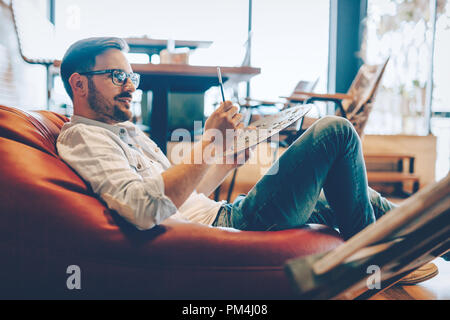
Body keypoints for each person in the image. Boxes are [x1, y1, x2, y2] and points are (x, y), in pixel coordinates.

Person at [56, 37, 395, 241]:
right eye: (118, 76)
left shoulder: (125, 132)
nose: (130, 86)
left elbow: (182, 196)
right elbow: (146, 209)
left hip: (226, 213)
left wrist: (225, 160)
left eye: (131, 76)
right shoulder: (84, 138)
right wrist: (208, 141)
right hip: (231, 227)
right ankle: (370, 257)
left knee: (361, 194)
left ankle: (439, 243)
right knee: (335, 132)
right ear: (79, 84)